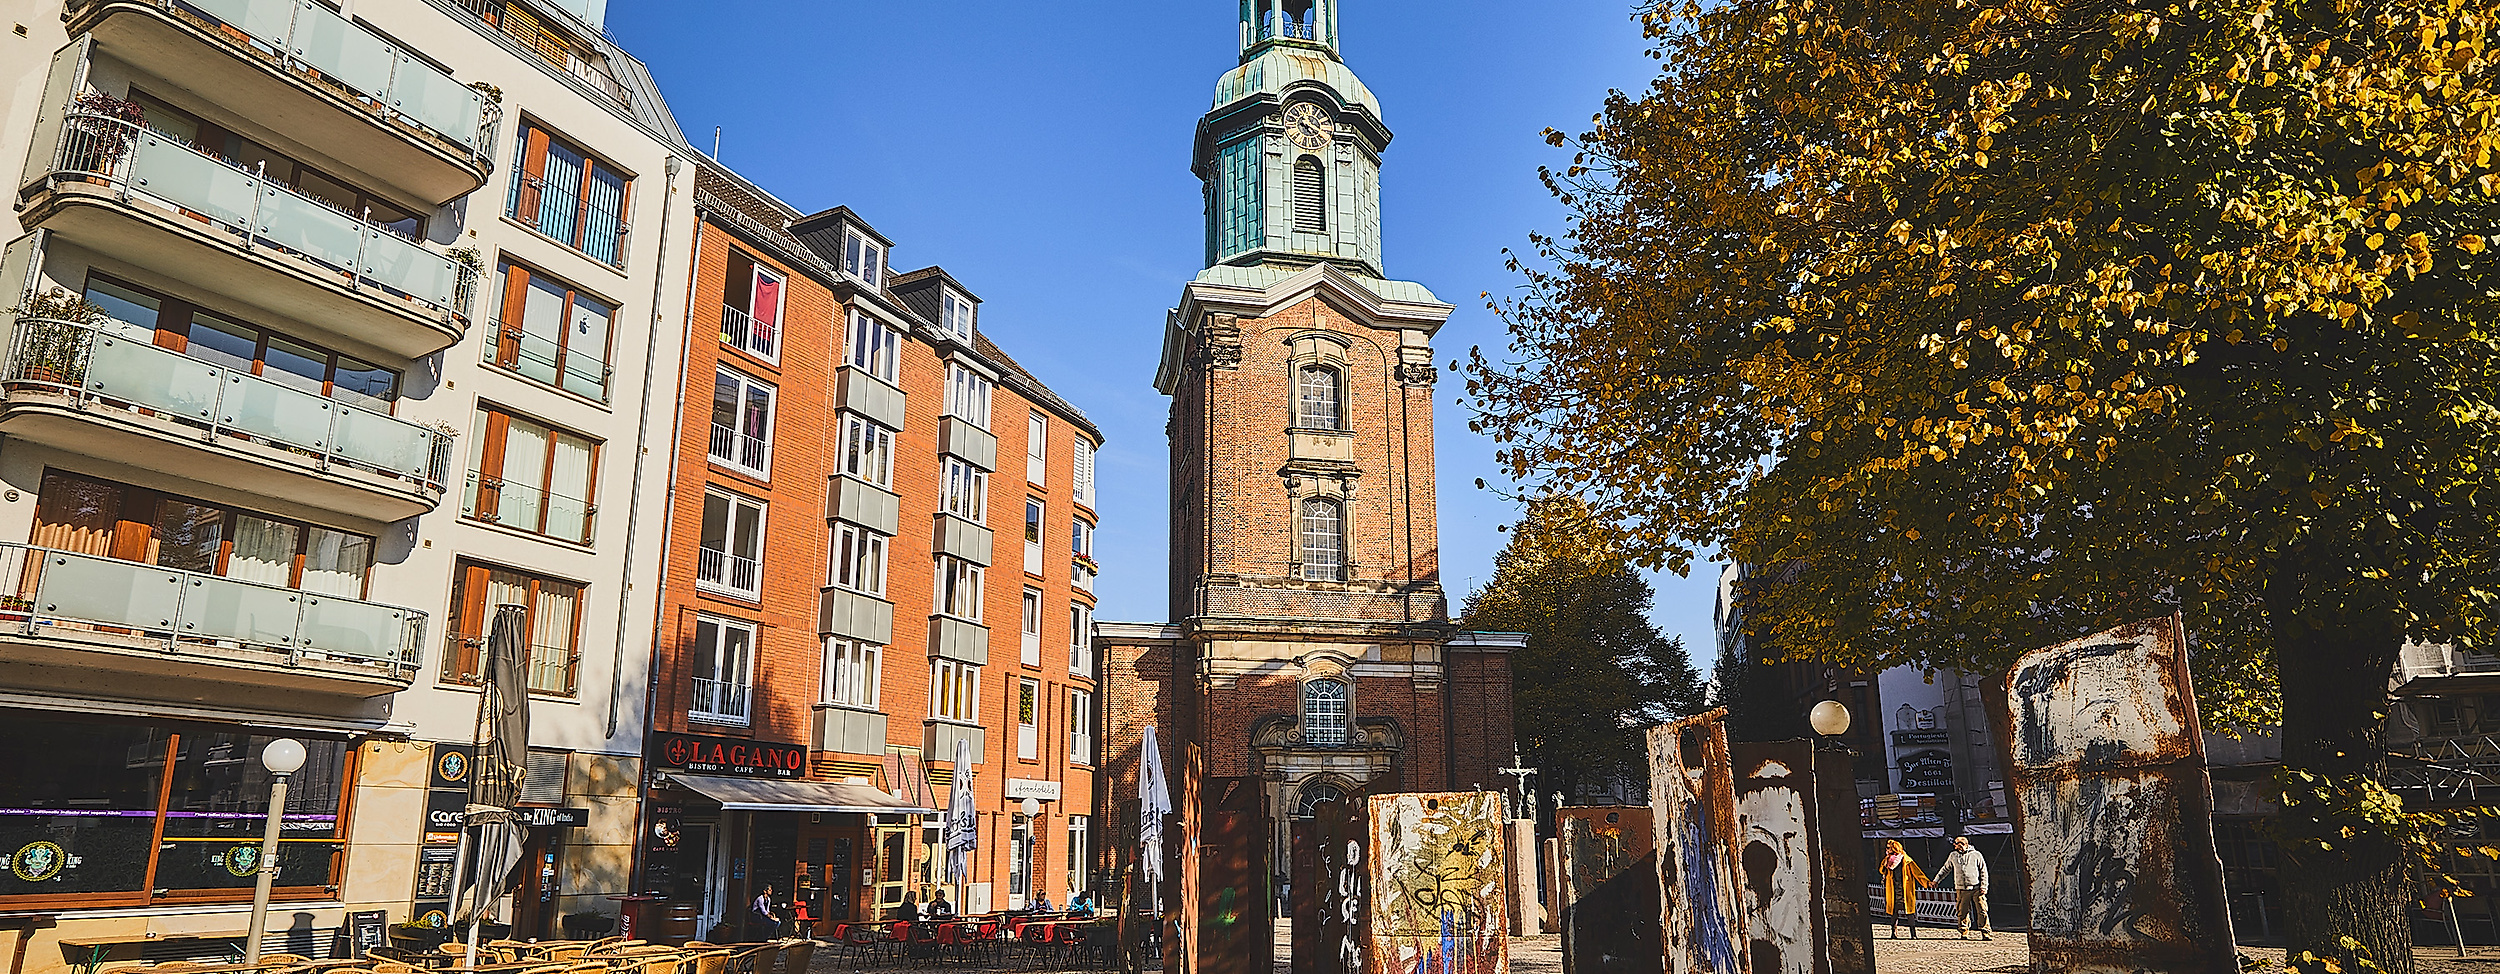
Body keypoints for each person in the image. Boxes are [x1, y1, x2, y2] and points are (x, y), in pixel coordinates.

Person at [1939, 835, 1992, 939]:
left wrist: (1984, 886)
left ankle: (1985, 932)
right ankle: (1964, 931)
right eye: (1955, 845)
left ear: (1965, 844)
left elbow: (1983, 871)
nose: (1957, 847)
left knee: (1982, 910)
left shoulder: (1976, 855)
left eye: (1959, 845)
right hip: (1961, 888)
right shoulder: (1953, 855)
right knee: (1962, 911)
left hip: (1976, 887)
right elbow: (1945, 869)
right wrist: (1936, 880)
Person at [1876, 840, 1929, 939]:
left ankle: (1913, 934)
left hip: (1905, 889)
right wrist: (1885, 863)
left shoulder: (1906, 860)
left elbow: (1917, 873)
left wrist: (1926, 883)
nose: (1886, 850)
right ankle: (1893, 933)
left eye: (1888, 848)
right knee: (1894, 913)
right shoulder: (1887, 860)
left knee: (1909, 913)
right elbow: (1881, 871)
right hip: (1893, 889)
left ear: (1894, 848)